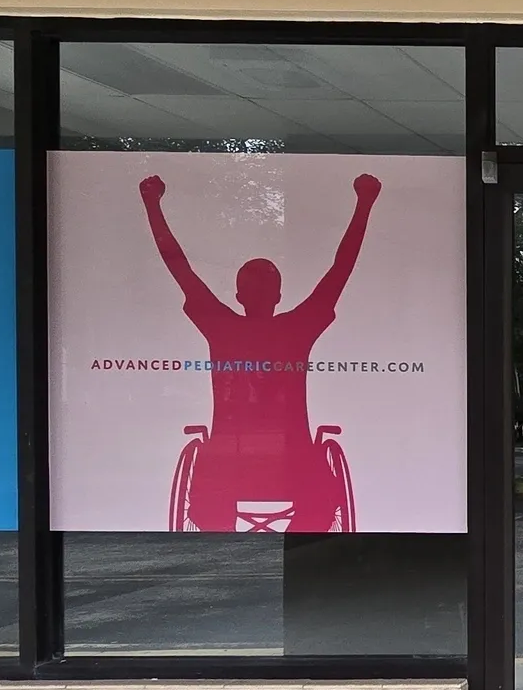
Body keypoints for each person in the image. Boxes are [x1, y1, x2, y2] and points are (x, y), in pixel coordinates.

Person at [143, 172, 380, 532]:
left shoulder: (223, 328)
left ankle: (229, 554)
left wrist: (152, 205)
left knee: (211, 508)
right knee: (319, 504)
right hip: (293, 461)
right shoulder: (296, 329)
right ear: (278, 295)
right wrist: (364, 204)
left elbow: (178, 265)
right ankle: (294, 550)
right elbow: (340, 269)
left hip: (228, 461)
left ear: (238, 296)